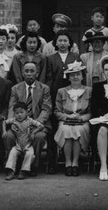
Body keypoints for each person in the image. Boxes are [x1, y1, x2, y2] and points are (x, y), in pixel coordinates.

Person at [5, 61, 52, 175]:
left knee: (39, 137)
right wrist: (14, 124)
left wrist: (34, 124)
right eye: (26, 71)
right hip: (18, 122)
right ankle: (12, 166)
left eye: (32, 71)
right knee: (9, 135)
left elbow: (46, 109)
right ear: (22, 73)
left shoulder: (44, 88)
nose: (29, 74)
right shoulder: (15, 88)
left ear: (37, 73)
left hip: (37, 123)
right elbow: (12, 107)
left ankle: (33, 165)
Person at [45, 31, 80, 174]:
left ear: (70, 43)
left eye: (65, 40)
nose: (63, 43)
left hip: (73, 96)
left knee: (72, 127)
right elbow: (48, 78)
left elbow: (79, 75)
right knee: (54, 128)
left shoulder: (75, 57)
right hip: (56, 96)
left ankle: (72, 161)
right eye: (60, 40)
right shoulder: (50, 58)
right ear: (56, 43)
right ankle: (52, 162)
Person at [54, 61, 92, 176]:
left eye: (78, 74)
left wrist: (82, 118)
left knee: (78, 130)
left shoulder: (89, 90)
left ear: (82, 76)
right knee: (66, 130)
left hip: (82, 121)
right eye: (72, 74)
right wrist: (67, 117)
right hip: (66, 120)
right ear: (68, 77)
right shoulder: (61, 91)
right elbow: (56, 110)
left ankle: (75, 162)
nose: (75, 77)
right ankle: (68, 162)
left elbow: (91, 111)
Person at [4, 102, 44, 180]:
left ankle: (23, 171)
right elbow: (4, 122)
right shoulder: (14, 120)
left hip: (28, 145)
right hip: (18, 145)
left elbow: (41, 126)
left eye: (22, 112)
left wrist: (33, 132)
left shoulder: (30, 121)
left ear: (27, 112)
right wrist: (4, 131)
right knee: (12, 152)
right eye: (17, 113)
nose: (19, 115)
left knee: (30, 154)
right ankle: (11, 171)